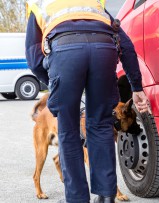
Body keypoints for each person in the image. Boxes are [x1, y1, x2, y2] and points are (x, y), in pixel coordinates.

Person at [25, 0, 151, 202]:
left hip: (65, 53)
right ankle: (106, 195)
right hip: (104, 51)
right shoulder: (93, 3)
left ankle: (77, 198)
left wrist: (55, 81)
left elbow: (33, 56)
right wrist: (136, 86)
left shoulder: (39, 3)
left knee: (68, 129)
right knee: (101, 125)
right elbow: (125, 45)